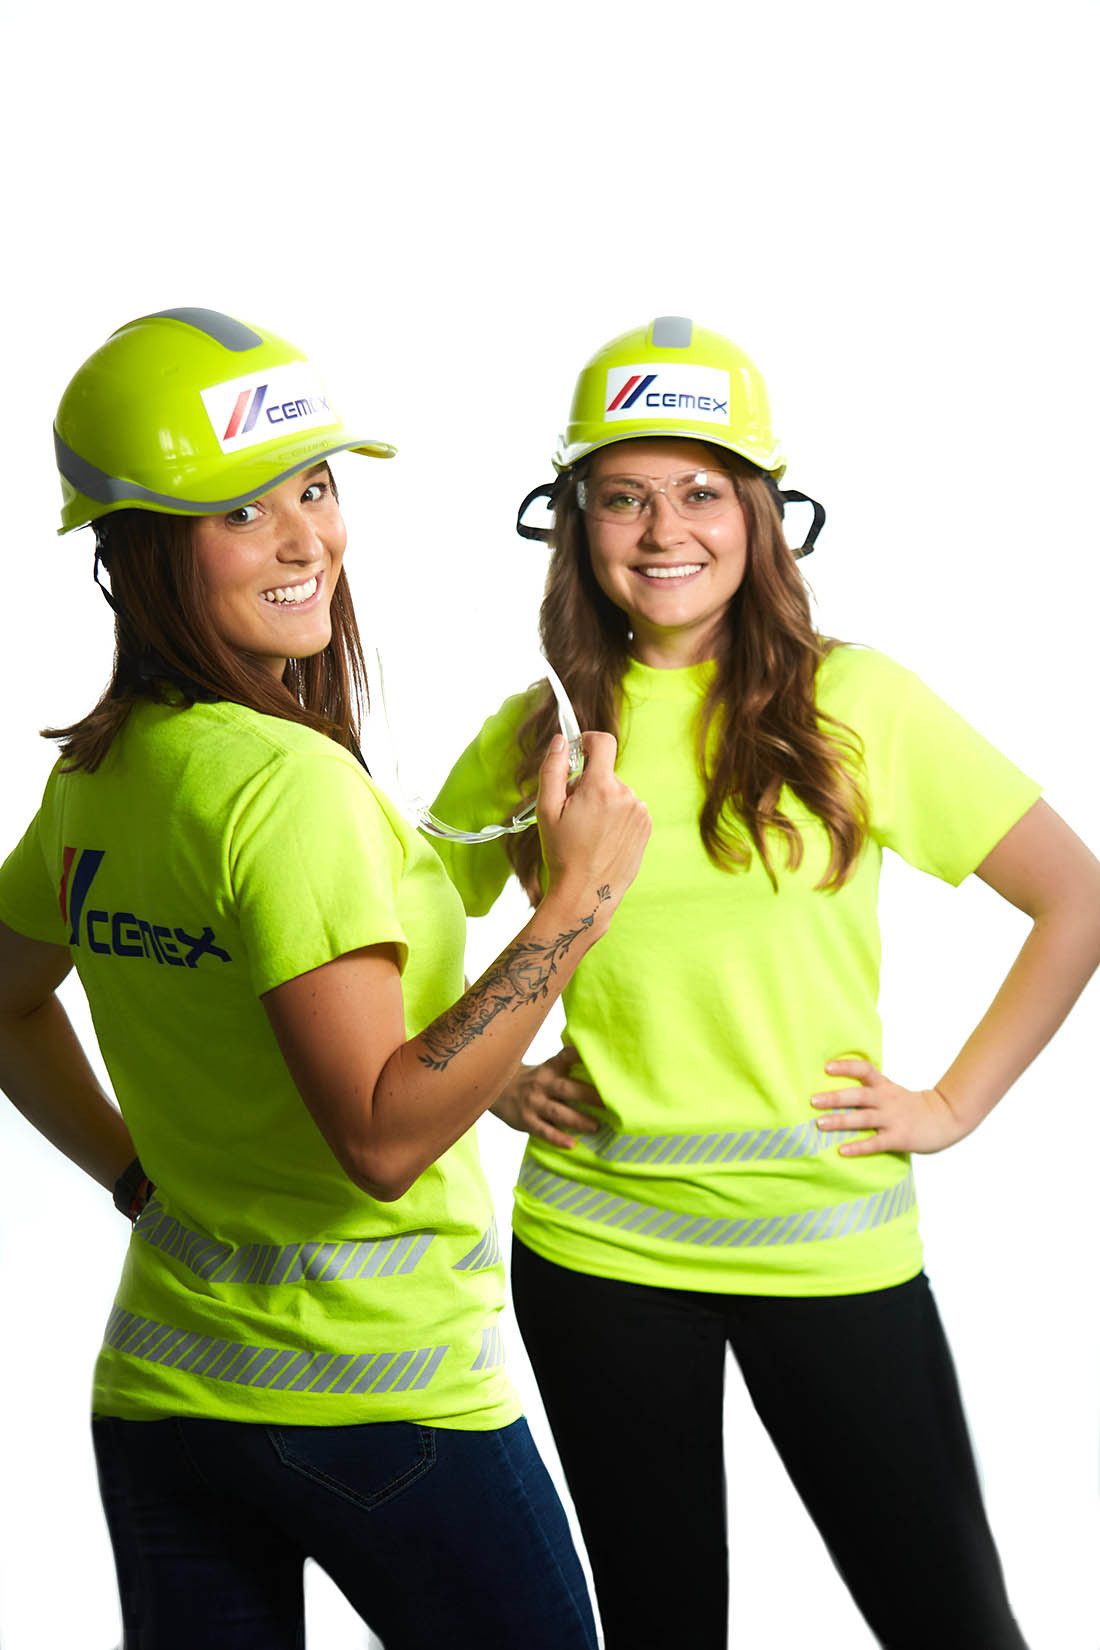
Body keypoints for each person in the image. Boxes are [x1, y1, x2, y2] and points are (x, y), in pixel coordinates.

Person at [427, 315, 1100, 1650]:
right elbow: (385, 932)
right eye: (624, 496)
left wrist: (954, 1104)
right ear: (574, 522)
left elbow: (1074, 895)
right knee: (663, 1626)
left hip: (829, 1249)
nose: (662, 528)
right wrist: (492, 1073)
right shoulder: (542, 733)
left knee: (953, 1621)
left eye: (700, 491)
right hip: (599, 1252)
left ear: (760, 513)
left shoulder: (859, 702)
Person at [0, 306, 651, 1650]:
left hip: (168, 1396)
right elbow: (385, 1129)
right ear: (137, 548)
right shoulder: (288, 790)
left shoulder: (103, 775)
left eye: (315, 486)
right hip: (381, 1405)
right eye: (244, 511)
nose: (308, 539)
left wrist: (136, 1176)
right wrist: (580, 898)